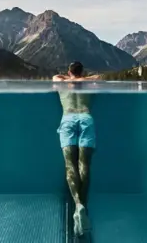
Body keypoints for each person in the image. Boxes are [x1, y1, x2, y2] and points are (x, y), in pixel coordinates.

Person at [53, 61, 101, 237]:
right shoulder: (90, 81)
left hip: (68, 119)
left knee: (69, 165)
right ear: (83, 71)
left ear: (68, 71)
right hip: (86, 118)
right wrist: (82, 78)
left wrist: (72, 78)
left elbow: (55, 78)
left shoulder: (60, 80)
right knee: (84, 165)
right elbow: (99, 78)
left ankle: (77, 204)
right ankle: (84, 208)